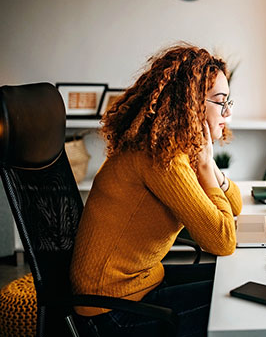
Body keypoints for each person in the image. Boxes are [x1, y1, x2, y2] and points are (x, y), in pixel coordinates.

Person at [70, 43, 242, 337]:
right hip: (111, 312)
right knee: (239, 302)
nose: (227, 112)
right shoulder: (160, 159)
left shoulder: (175, 149)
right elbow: (223, 240)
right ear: (189, 103)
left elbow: (234, 206)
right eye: (220, 101)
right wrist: (205, 167)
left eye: (229, 101)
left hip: (141, 285)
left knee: (239, 282)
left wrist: (208, 164)